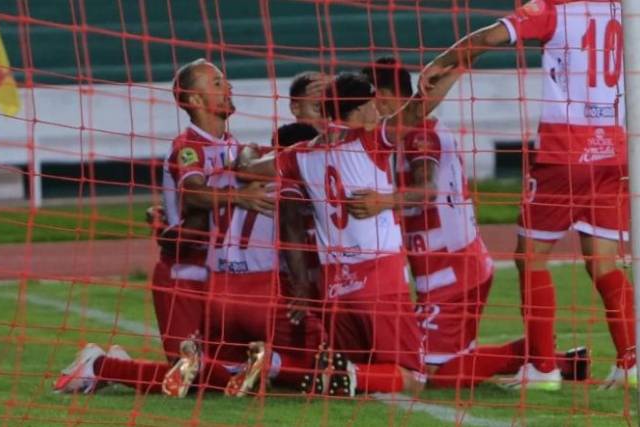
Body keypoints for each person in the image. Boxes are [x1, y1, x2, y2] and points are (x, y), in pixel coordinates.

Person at [428, 0, 636, 390]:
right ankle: (632, 362)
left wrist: (443, 61)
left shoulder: (553, 10)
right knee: (604, 264)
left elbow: (491, 35)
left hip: (564, 151)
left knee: (530, 257)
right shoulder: (625, 11)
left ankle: (542, 368)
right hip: (615, 151)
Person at [363, 57, 590, 389]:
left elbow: (425, 191)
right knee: (434, 362)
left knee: (430, 374)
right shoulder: (409, 133)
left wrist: (380, 202)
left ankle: (533, 352)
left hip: (452, 273)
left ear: (382, 96)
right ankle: (552, 358)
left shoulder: (418, 135)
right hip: (448, 269)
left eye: (367, 101)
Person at [54, 59, 274, 397]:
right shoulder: (187, 147)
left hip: (223, 275)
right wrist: (239, 196)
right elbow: (195, 193)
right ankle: (99, 365)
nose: (228, 88)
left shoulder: (233, 146)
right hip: (183, 272)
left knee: (225, 375)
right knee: (189, 378)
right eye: (217, 83)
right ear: (196, 100)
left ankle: (112, 364)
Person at [243, 65, 461, 396]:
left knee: (362, 377)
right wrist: (460, 63)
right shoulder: (373, 140)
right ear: (360, 108)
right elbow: (421, 106)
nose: (378, 109)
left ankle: (288, 369)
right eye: (373, 103)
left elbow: (247, 170)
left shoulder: (297, 155)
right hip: (379, 279)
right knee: (412, 379)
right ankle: (340, 375)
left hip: (334, 288)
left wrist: (246, 154)